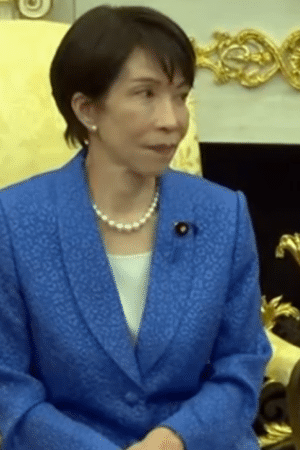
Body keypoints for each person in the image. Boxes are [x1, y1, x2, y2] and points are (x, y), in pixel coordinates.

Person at [0, 5, 271, 450]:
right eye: (146, 94)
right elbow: (8, 385)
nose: (172, 120)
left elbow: (242, 361)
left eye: (180, 95)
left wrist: (175, 437)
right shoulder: (15, 221)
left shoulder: (224, 214)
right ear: (87, 109)